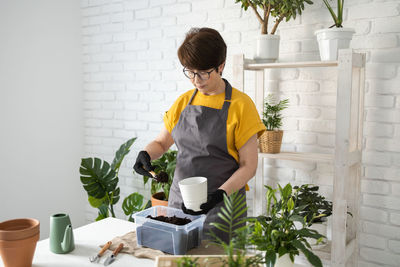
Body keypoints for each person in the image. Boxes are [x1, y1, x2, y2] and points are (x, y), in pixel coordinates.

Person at [134, 27, 266, 242]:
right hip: (180, 205)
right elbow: (161, 142)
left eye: (203, 73)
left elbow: (248, 166)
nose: (196, 80)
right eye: (190, 71)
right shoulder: (184, 101)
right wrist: (146, 154)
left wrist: (220, 194)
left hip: (223, 206)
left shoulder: (241, 105)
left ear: (221, 66)